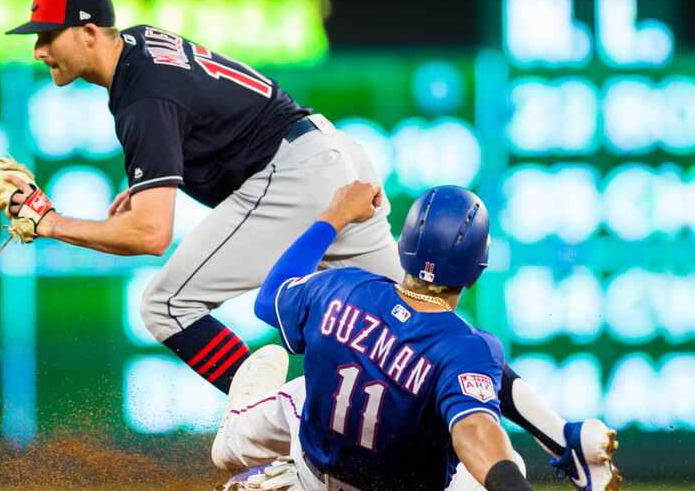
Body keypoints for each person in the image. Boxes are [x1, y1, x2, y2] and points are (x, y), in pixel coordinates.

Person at [0, 0, 617, 488]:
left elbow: (151, 236)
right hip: (328, 155)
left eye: (47, 36)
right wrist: (159, 177)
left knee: (165, 303)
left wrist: (50, 223)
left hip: (295, 180)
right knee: (424, 329)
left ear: (90, 30)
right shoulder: (144, 47)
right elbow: (208, 122)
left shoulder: (140, 96)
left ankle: (267, 428)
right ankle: (564, 433)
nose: (39, 50)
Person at [211, 183, 621, 491]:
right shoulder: (467, 348)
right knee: (502, 452)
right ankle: (563, 439)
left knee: (300, 393)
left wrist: (333, 216)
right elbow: (476, 431)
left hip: (315, 474)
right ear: (477, 268)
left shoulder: (338, 287)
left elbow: (269, 299)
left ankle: (240, 442)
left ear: (403, 244)